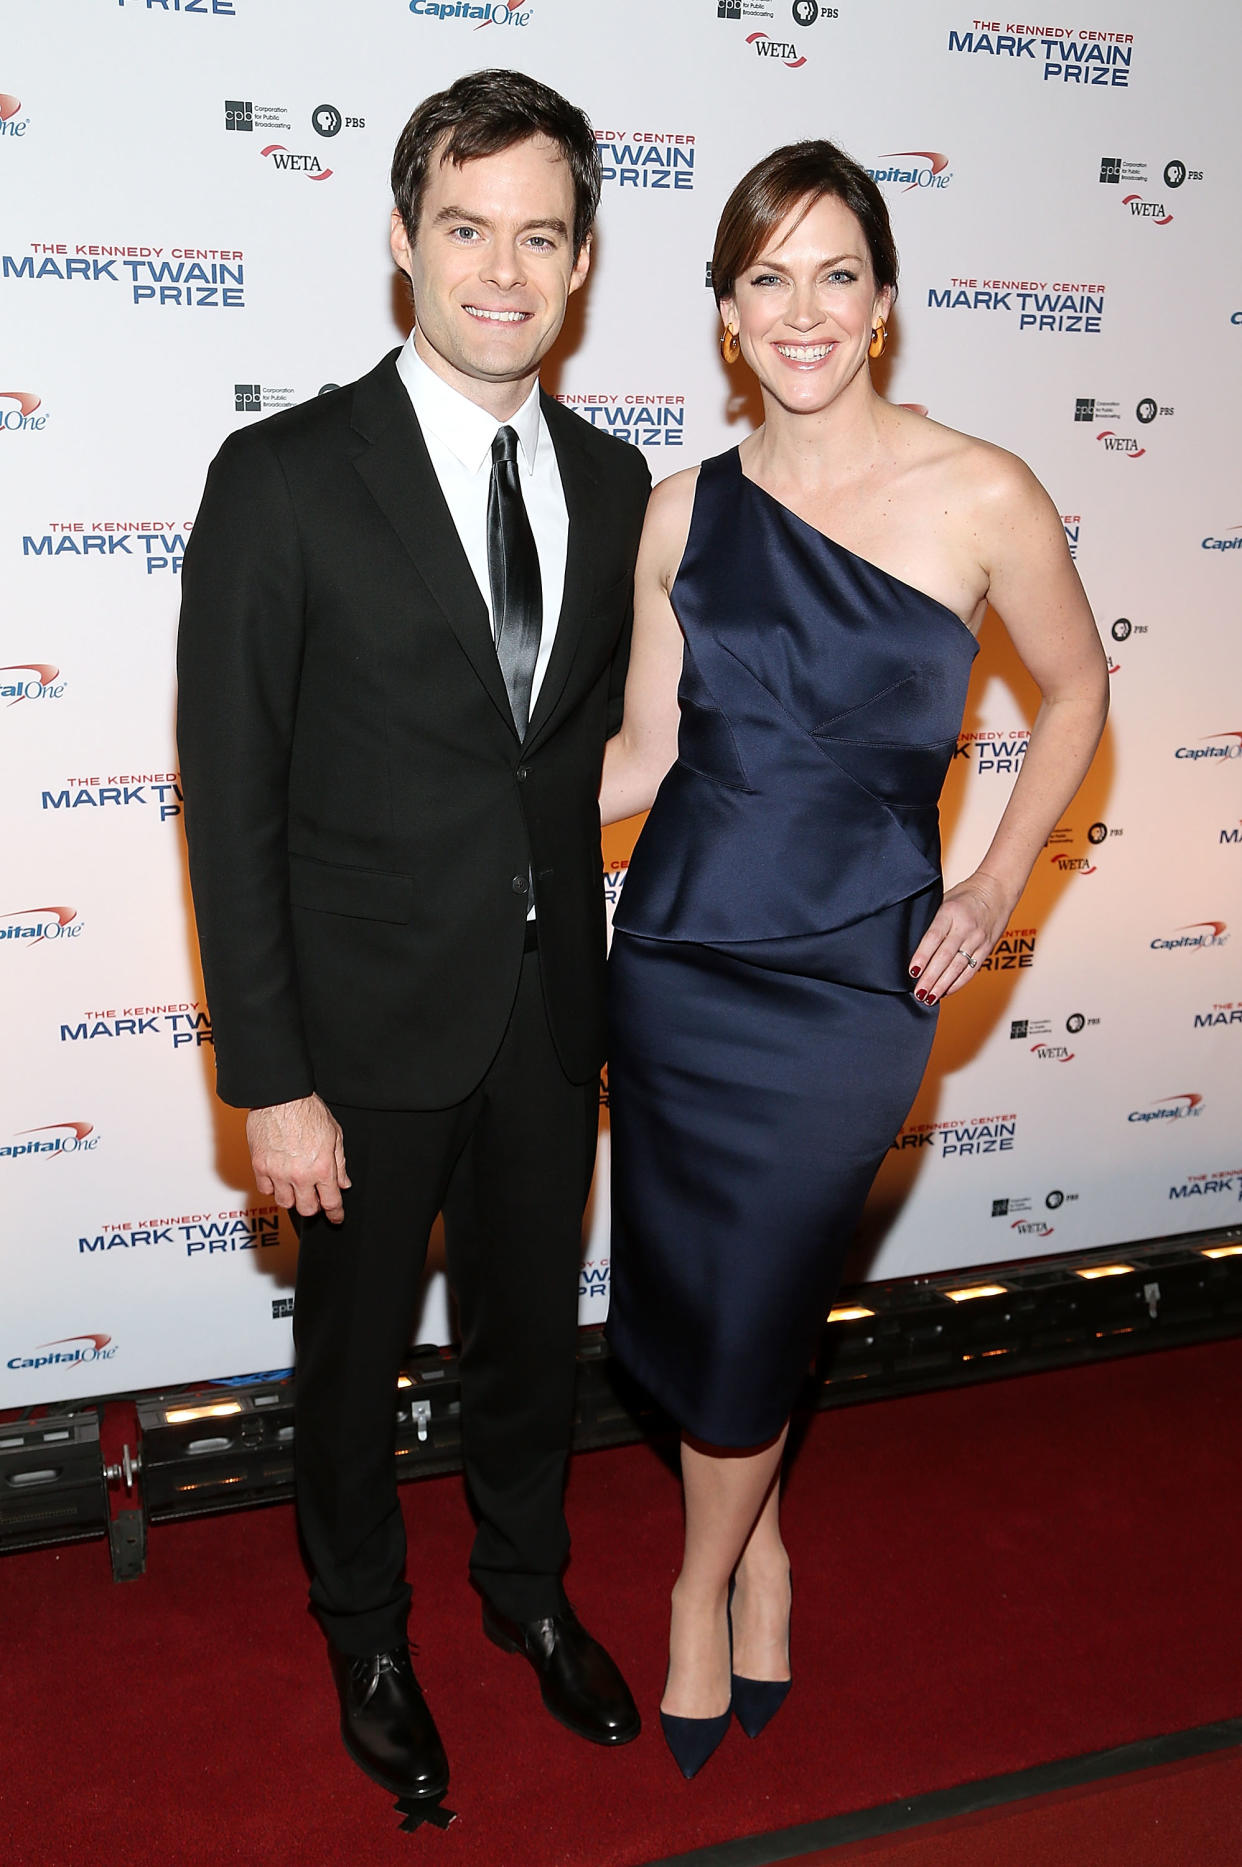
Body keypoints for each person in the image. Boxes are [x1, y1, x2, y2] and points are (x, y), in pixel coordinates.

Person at [599, 140, 1109, 1779]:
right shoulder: (683, 512)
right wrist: (436, 806)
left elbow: (1078, 691)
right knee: (705, 1290)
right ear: (727, 318)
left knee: (760, 1287)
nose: (800, 309)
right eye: (765, 279)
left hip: (854, 979)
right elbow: (635, 758)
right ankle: (755, 1555)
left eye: (834, 273)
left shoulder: (983, 491)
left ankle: (692, 1585)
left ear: (881, 305)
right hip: (680, 953)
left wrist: (994, 879)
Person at [177, 69, 650, 1813]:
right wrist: (272, 1082)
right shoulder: (284, 476)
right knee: (354, 1366)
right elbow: (228, 804)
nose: (502, 270)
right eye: (466, 228)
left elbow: (591, 752)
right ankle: (364, 1630)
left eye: (540, 234)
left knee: (535, 1344)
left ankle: (525, 1596)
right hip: (358, 1037)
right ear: (402, 241)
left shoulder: (615, 485)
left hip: (547, 1018)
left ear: (583, 259)